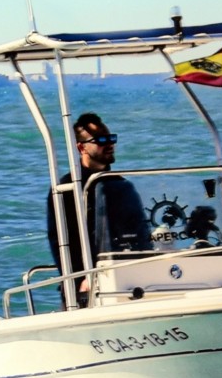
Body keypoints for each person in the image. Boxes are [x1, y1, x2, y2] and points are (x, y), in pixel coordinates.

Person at [45, 113, 150, 307]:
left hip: (128, 278)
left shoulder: (122, 185)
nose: (109, 144)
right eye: (101, 140)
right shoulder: (66, 188)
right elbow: (59, 240)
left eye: (112, 139)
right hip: (88, 287)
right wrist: (79, 280)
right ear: (81, 147)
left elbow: (141, 232)